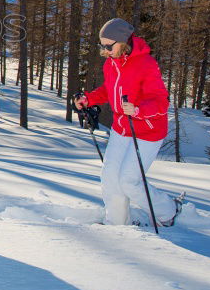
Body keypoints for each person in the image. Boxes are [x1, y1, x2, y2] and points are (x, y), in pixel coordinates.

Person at [74, 18, 183, 227]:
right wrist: (89, 99)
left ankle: (168, 212)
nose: (105, 50)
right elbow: (109, 90)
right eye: (102, 45)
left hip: (148, 130)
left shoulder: (145, 64)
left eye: (109, 45)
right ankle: (117, 224)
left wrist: (139, 110)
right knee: (110, 179)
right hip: (121, 128)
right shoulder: (111, 63)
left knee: (129, 181)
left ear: (123, 41)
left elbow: (161, 101)